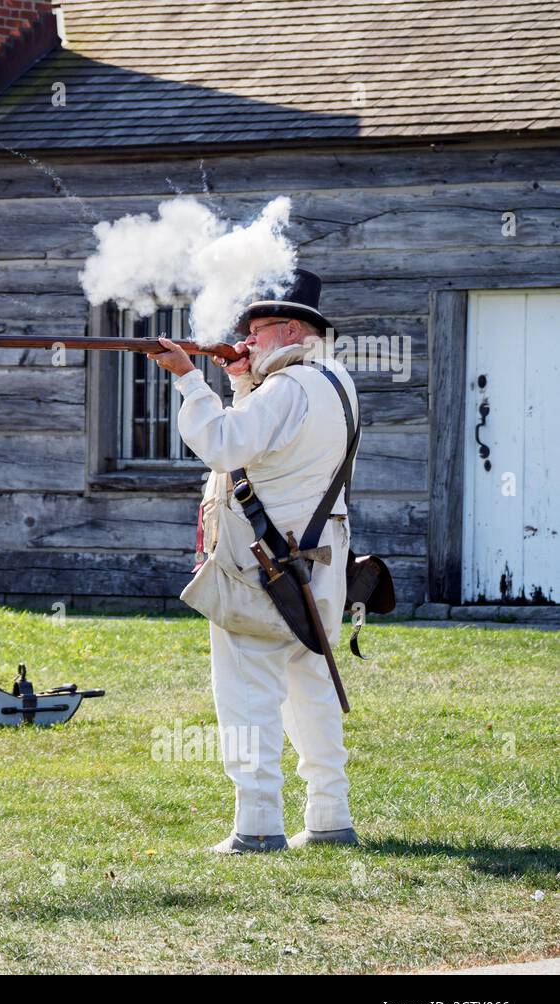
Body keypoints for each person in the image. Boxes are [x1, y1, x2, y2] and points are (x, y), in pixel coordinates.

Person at [150, 269, 361, 854]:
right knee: (311, 688)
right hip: (316, 566)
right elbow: (267, 446)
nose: (245, 340)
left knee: (247, 697)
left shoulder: (287, 388)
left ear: (290, 329)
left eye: (256, 330)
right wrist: (243, 382)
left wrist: (192, 382)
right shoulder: (331, 379)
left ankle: (258, 826)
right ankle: (329, 816)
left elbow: (224, 444)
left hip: (262, 568)